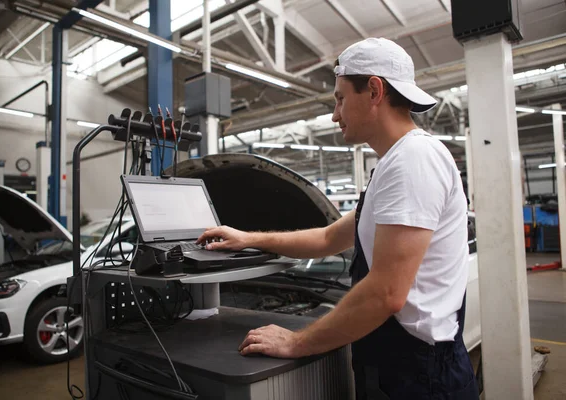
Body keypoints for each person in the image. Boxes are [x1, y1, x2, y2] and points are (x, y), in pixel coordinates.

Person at [197, 38, 479, 399]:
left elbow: (387, 293)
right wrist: (248, 238)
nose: (334, 114)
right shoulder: (393, 165)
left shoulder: (414, 161)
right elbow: (329, 239)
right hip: (398, 364)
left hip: (421, 377)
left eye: (340, 98)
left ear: (374, 90)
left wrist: (298, 342)